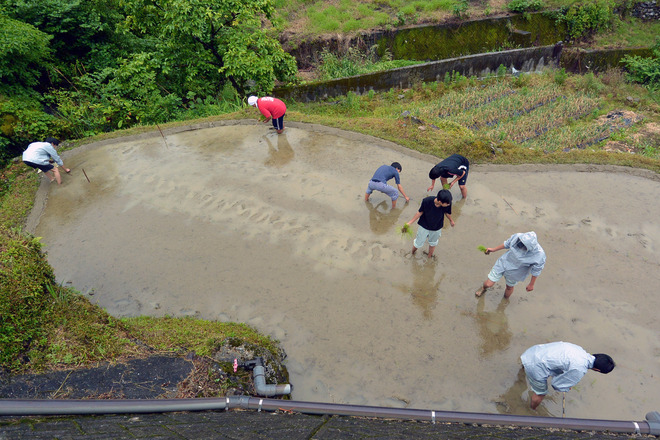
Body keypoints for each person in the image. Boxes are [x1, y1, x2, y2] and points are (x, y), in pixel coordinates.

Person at [520, 341, 615, 410]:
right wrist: (566, 387)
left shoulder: (579, 349)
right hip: (536, 365)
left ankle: (521, 373)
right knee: (541, 393)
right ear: (597, 370)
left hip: (532, 352)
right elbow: (556, 385)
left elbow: (560, 360)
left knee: (529, 366)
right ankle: (531, 409)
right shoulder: (579, 369)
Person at [475, 231, 545, 299]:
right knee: (488, 284)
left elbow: (537, 270)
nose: (520, 244)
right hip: (504, 262)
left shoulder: (539, 255)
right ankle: (483, 288)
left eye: (523, 245)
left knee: (509, 287)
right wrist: (493, 249)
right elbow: (507, 244)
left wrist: (531, 284)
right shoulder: (518, 236)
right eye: (520, 242)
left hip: (516, 271)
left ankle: (505, 300)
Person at [406, 189, 454, 259]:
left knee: (433, 243)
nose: (448, 204)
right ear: (440, 202)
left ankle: (429, 257)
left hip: (436, 227)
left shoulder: (447, 204)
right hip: (424, 226)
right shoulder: (426, 201)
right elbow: (420, 212)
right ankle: (412, 253)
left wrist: (451, 221)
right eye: (446, 204)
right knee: (418, 243)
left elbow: (447, 213)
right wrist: (409, 223)